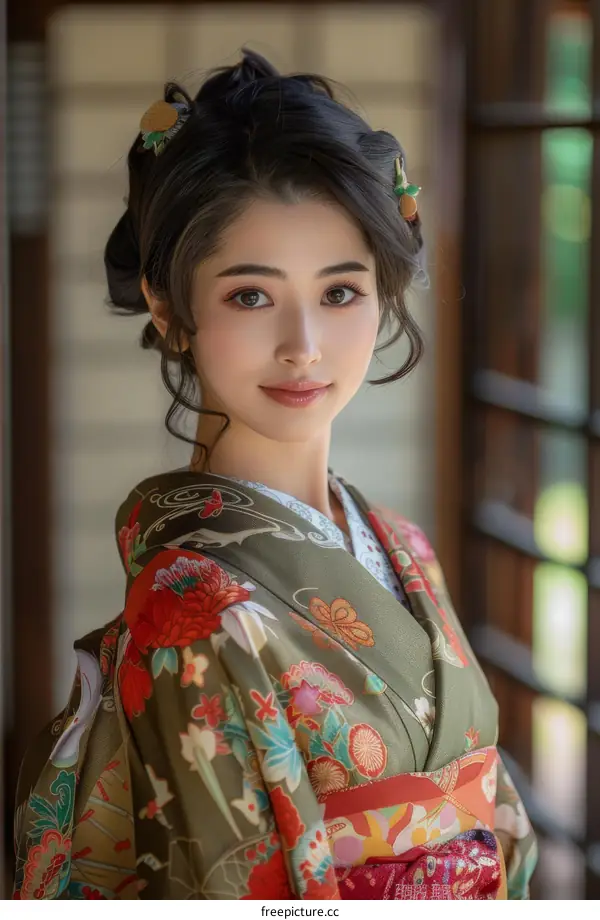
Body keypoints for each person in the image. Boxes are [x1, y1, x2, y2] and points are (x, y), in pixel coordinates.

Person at [13, 49, 537, 901]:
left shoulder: (399, 543)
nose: (304, 345)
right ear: (167, 306)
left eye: (341, 292)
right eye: (251, 296)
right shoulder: (191, 605)